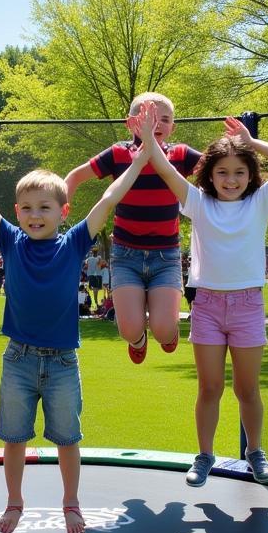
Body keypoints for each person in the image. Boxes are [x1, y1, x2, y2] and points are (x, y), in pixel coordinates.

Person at [0, 103, 157, 533]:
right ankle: (14, 501)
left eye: (44, 207)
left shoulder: (75, 242)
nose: (34, 214)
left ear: (62, 212)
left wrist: (139, 159)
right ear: (18, 211)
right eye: (26, 208)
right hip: (18, 359)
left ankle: (71, 503)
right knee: (14, 436)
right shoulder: (10, 240)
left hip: (62, 362)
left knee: (67, 438)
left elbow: (108, 199)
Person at [137, 105, 268, 486]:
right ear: (209, 175)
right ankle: (204, 455)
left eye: (240, 172)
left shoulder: (260, 204)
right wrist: (147, 135)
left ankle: (254, 450)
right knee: (210, 387)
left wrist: (251, 141)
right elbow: (163, 166)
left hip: (247, 306)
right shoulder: (197, 203)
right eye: (222, 172)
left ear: (250, 175)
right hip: (207, 304)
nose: (231, 179)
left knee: (247, 388)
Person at [65, 92, 203, 364]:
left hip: (166, 257)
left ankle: (166, 332)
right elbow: (75, 176)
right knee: (130, 329)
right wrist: (63, 203)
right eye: (148, 118)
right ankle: (138, 339)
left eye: (164, 119)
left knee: (163, 331)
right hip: (126, 255)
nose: (156, 124)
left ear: (173, 127)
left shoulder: (180, 155)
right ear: (131, 124)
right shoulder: (119, 154)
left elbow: (220, 167)